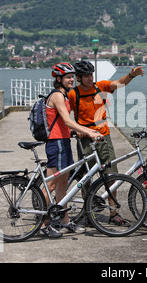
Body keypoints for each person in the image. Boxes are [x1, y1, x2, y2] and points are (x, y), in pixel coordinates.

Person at [68, 60, 144, 225]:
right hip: (85, 139)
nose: (90, 78)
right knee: (86, 178)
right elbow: (66, 116)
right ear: (79, 78)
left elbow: (119, 83)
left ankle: (113, 213)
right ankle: (88, 211)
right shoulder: (73, 94)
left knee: (112, 176)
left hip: (103, 136)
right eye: (86, 76)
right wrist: (77, 130)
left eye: (91, 74)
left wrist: (132, 75)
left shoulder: (100, 86)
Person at [40, 62, 103, 238]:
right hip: (56, 143)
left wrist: (78, 132)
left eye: (72, 77)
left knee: (62, 185)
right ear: (58, 79)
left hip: (64, 142)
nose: (71, 80)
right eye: (68, 77)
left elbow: (64, 124)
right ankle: (43, 224)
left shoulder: (64, 95)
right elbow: (67, 121)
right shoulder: (58, 96)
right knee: (51, 185)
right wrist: (89, 131)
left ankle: (65, 221)